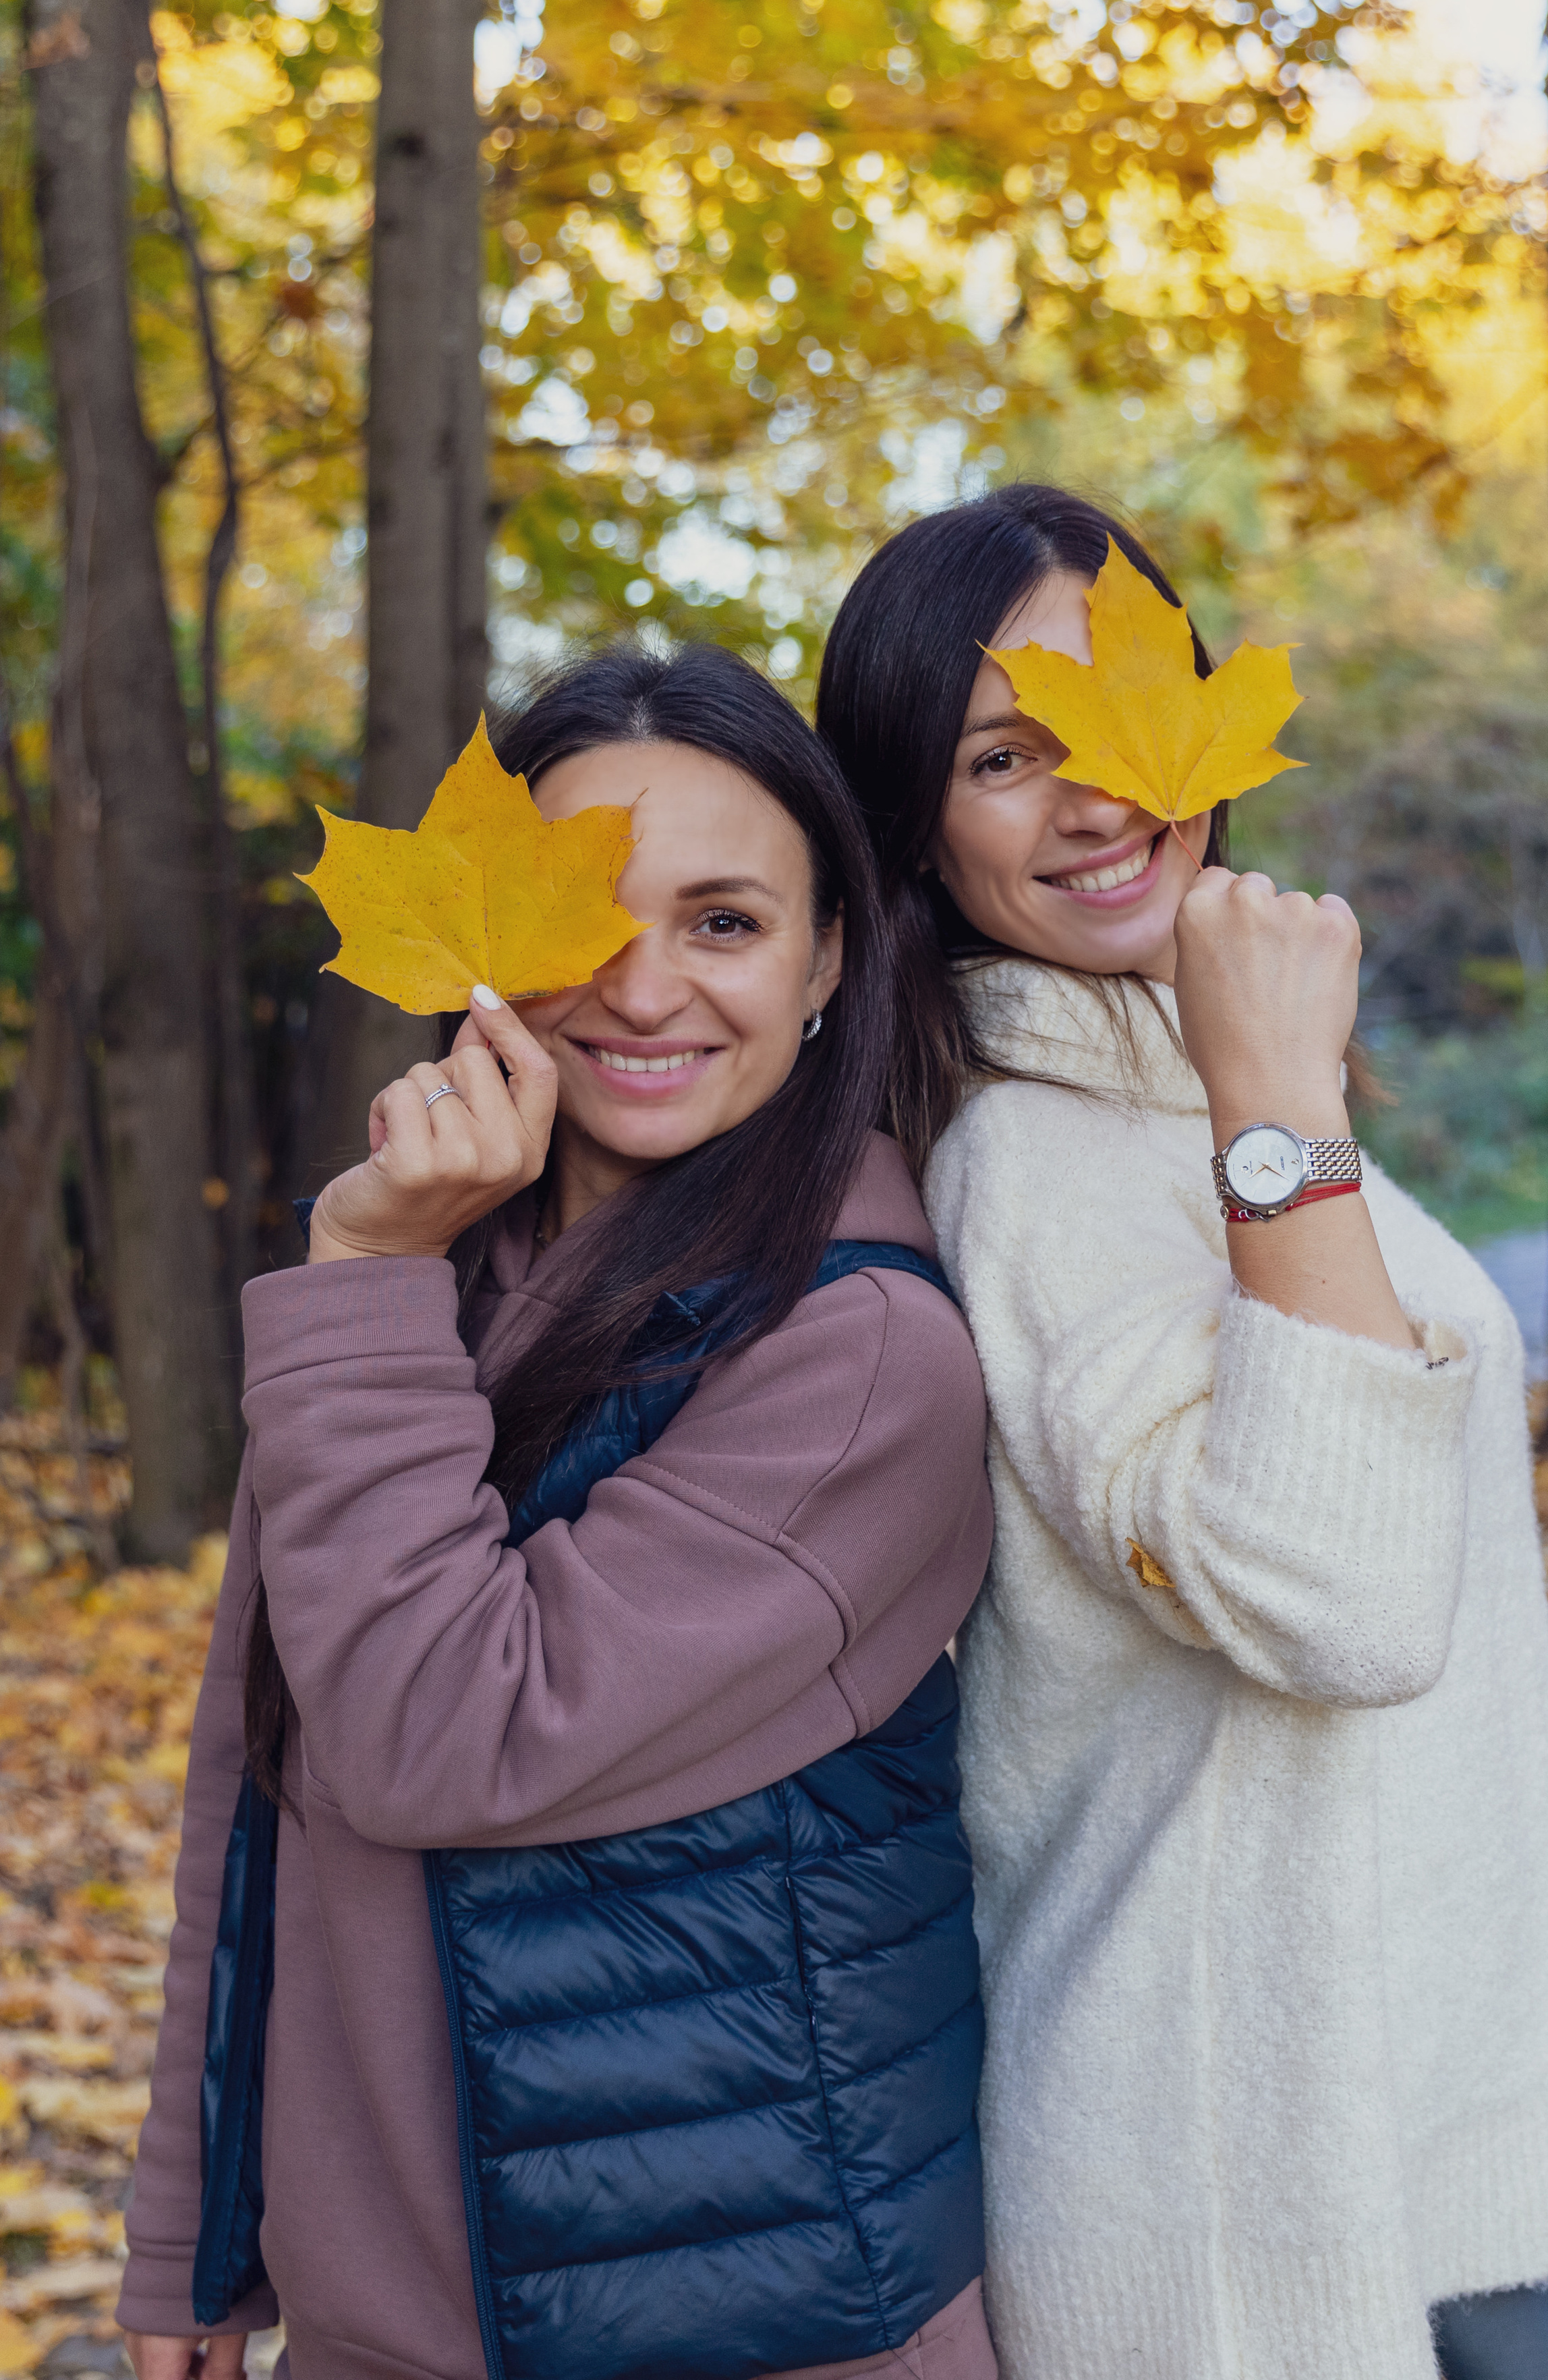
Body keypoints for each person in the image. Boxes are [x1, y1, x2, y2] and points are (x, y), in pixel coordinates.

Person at [815, 483, 1548, 2380]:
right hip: (1238, 2165)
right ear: (914, 829)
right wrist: (1279, 1102)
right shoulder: (1028, 1160)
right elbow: (1335, 1598)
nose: (1092, 795)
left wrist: (1262, 1094)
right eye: (1002, 757)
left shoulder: (1171, 1095)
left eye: (1122, 714)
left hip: (1434, 2103)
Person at [117, 642, 998, 2380]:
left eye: (725, 922)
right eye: (583, 916)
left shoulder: (863, 1354)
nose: (644, 990)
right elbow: (262, 1772)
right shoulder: (421, 1284)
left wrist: (360, 1274)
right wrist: (189, 2248)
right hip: (384, 2331)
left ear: (828, 959)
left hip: (746, 2329)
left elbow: (441, 1741)